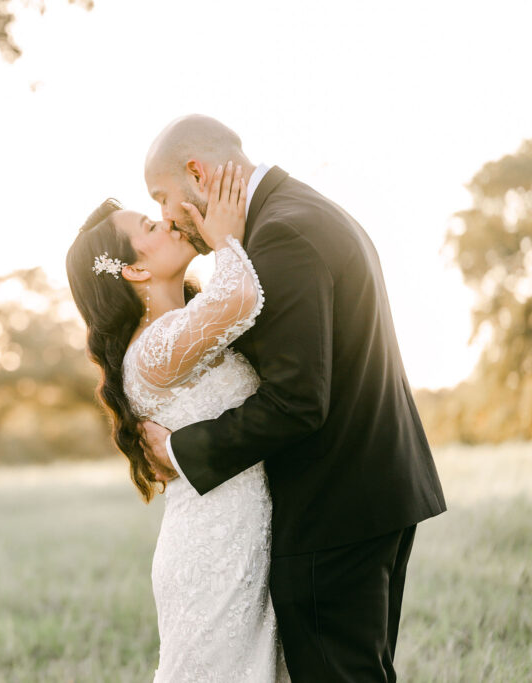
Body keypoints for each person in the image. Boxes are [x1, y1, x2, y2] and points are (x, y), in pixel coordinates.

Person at [138, 115, 448, 682]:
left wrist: (182, 450)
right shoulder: (303, 210)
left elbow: (298, 400)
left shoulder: (281, 234)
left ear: (196, 173)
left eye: (162, 197)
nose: (164, 215)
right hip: (374, 490)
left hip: (334, 504)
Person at [66, 163, 290, 681]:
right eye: (150, 226)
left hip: (245, 541)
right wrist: (227, 236)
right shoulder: (152, 352)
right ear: (135, 271)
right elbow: (239, 297)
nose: (168, 223)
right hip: (210, 555)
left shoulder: (184, 327)